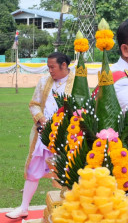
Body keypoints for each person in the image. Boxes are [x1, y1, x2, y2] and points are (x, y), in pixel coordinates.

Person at [6, 52, 75, 219]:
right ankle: (23, 208)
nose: (49, 70)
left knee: (68, 175)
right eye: (48, 67)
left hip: (67, 139)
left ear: (64, 65)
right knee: (32, 171)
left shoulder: (77, 82)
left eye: (52, 67)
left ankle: (71, 211)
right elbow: (34, 104)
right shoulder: (44, 81)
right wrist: (42, 120)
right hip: (43, 137)